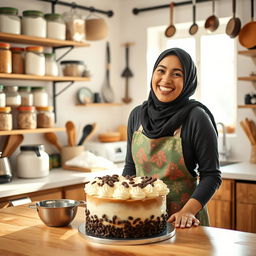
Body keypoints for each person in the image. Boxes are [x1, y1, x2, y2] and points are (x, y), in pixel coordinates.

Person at [123, 47, 221, 228]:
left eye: (177, 74)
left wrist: (188, 211)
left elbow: (211, 176)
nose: (166, 79)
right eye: (161, 70)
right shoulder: (137, 116)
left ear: (188, 81)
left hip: (183, 220)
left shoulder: (197, 118)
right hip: (141, 219)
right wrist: (120, 200)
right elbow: (131, 167)